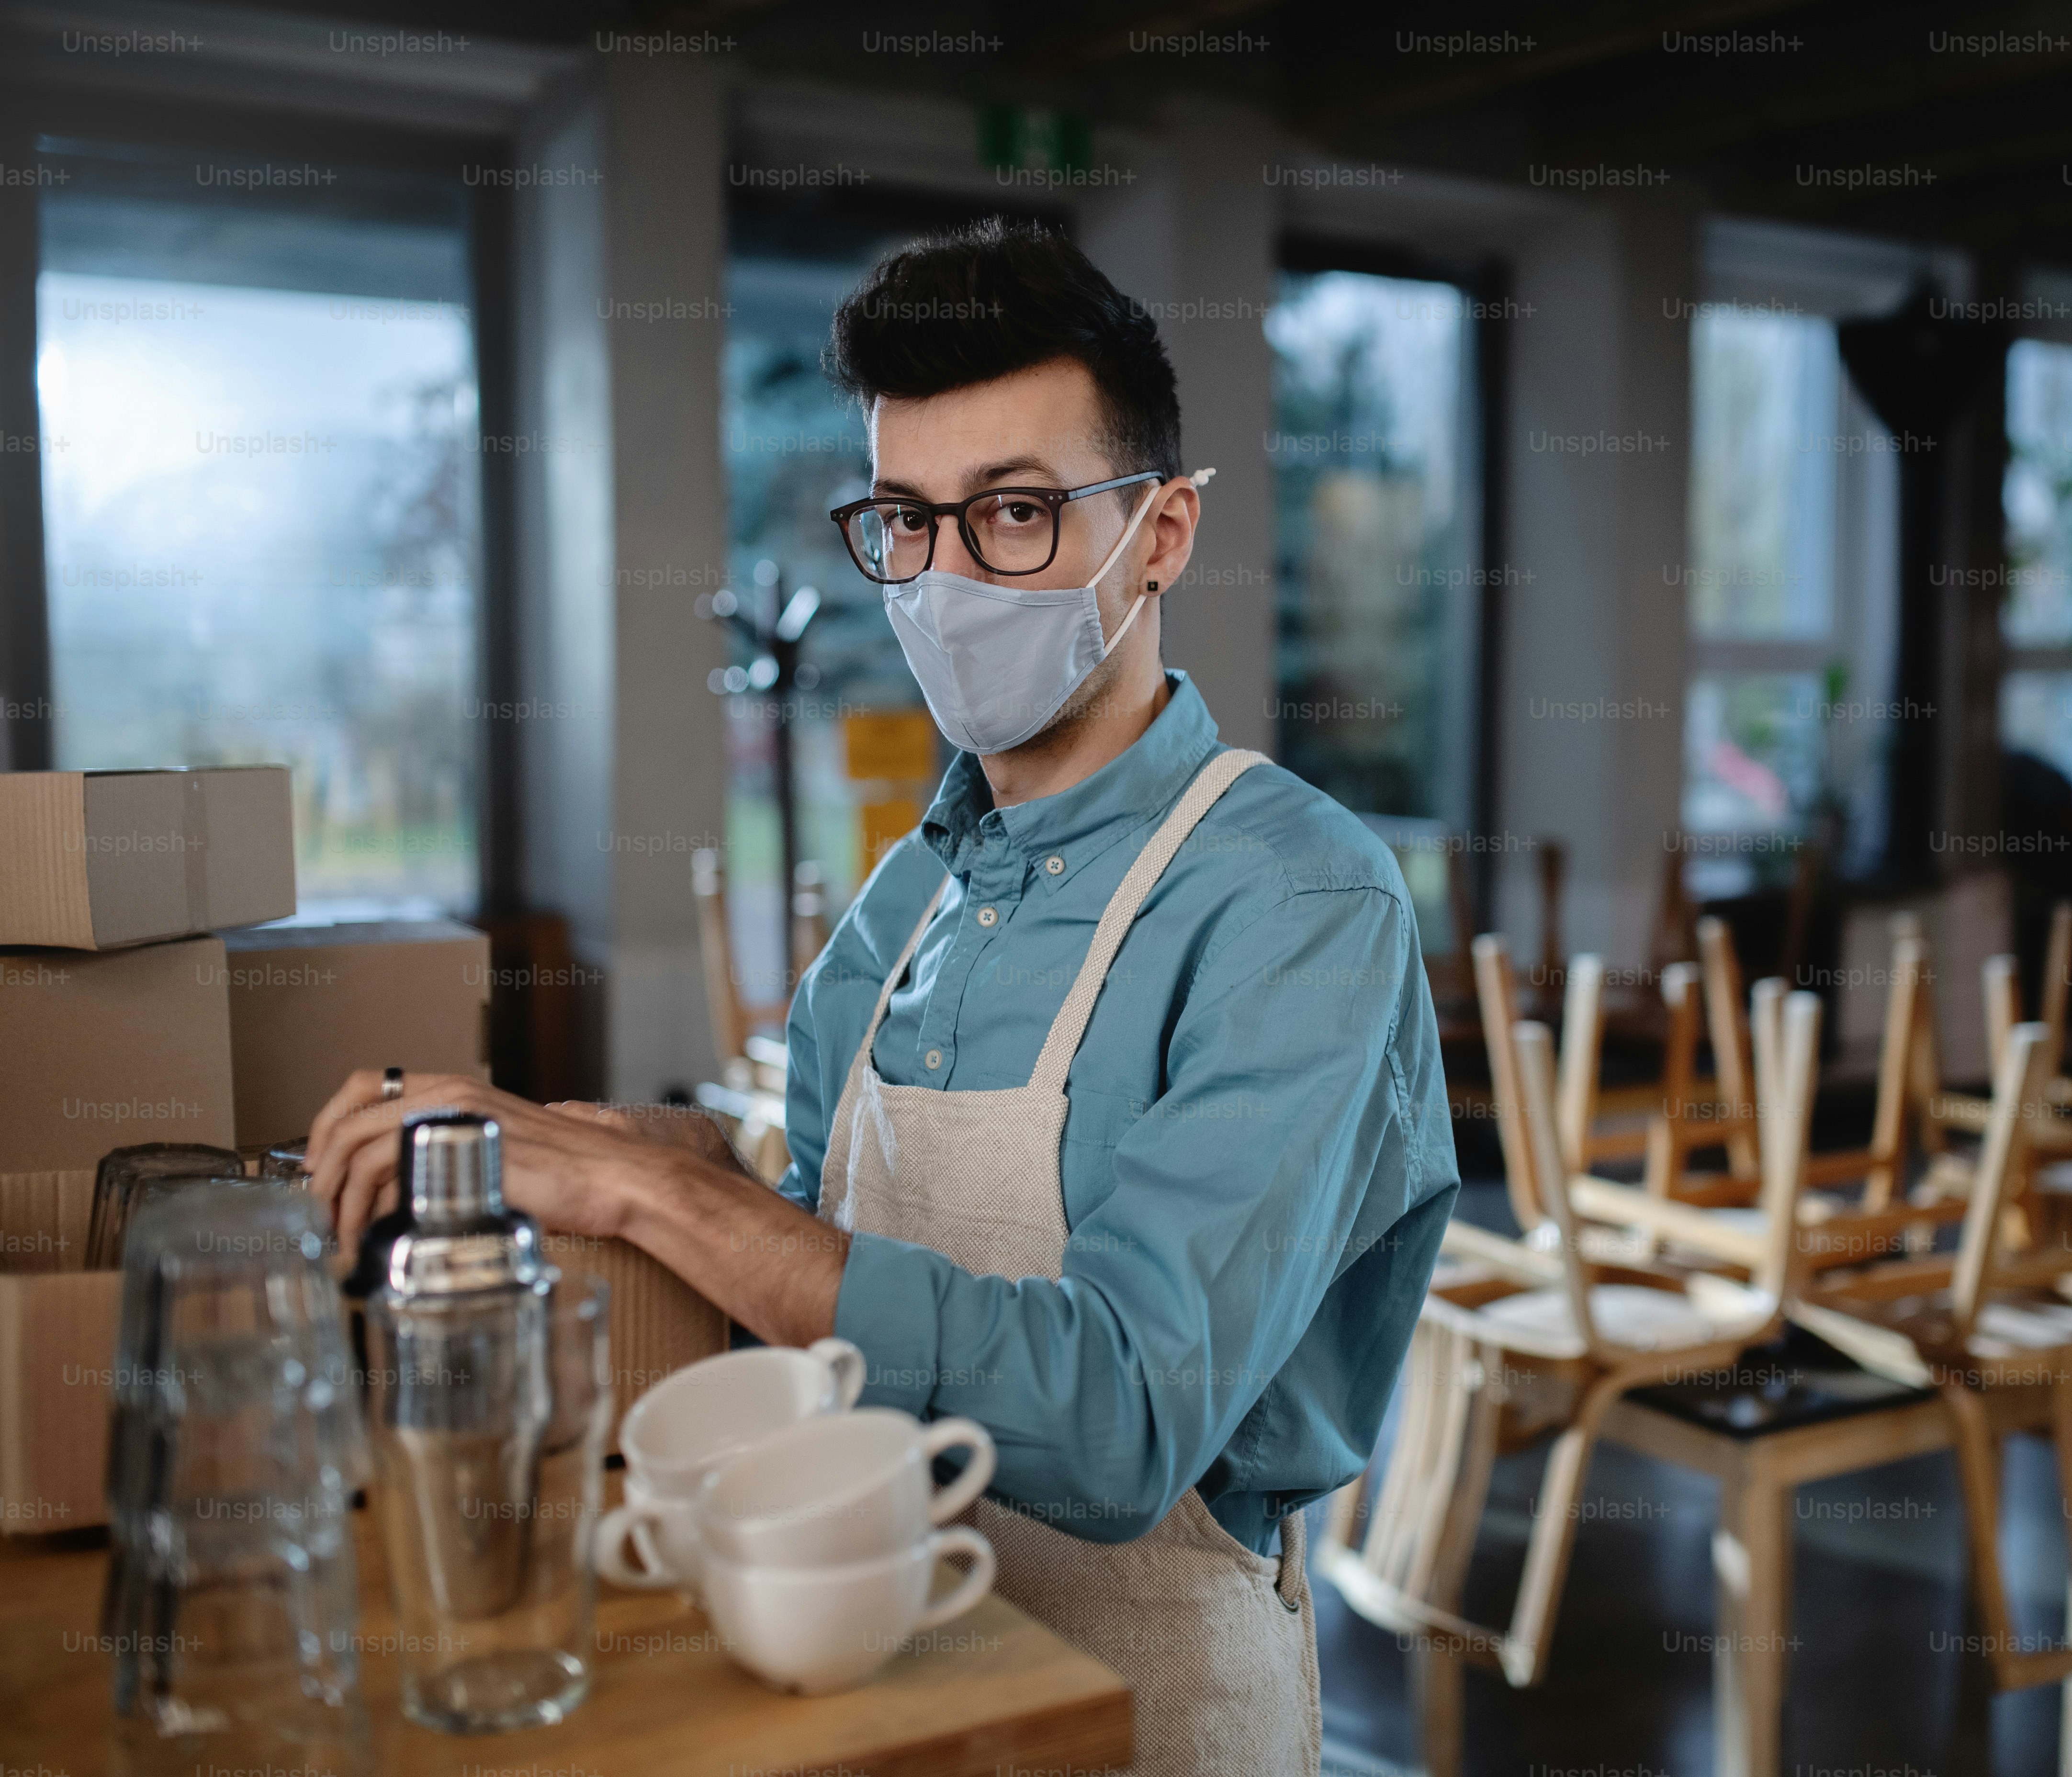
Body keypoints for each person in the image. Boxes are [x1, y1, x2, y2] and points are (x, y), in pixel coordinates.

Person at [305, 217, 1459, 1774]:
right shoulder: (906, 897)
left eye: (1019, 517)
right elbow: (817, 1257)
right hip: (884, 1689)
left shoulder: (1296, 904)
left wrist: (670, 1202)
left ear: (1165, 533)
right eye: (906, 523)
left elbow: (1120, 1420)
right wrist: (621, 1155)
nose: (945, 578)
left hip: (1154, 1715)